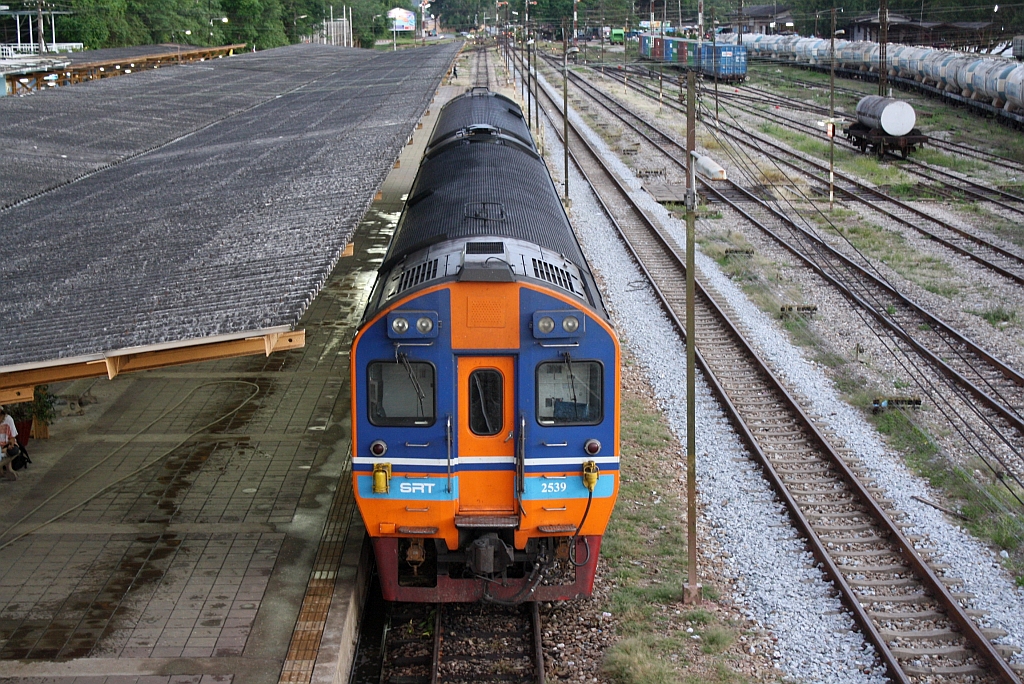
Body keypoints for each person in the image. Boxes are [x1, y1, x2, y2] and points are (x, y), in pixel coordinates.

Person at [0, 406, 19, 481]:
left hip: (7, 444)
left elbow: (12, 437)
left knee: (14, 450)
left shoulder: (8, 419)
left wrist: (9, 445)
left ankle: (8, 468)